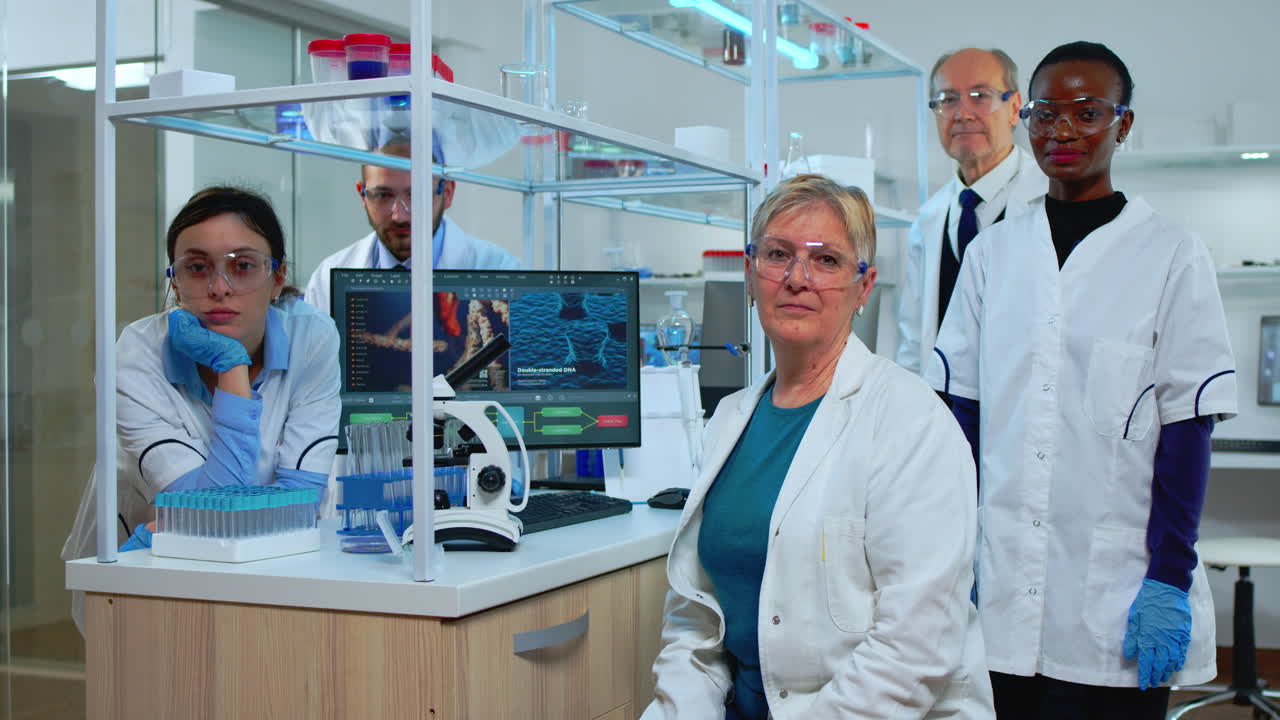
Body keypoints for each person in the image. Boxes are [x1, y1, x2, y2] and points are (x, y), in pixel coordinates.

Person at [926, 42, 1237, 718]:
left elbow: (1187, 431)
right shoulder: (992, 255)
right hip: (998, 589)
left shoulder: (1173, 255)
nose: (1061, 131)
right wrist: (947, 558)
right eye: (1044, 113)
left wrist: (1168, 579)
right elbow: (961, 421)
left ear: (1122, 125)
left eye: (1087, 112)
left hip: (1116, 597)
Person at [643, 174, 994, 719]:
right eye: (778, 254)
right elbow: (697, 619)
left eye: (826, 260)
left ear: (864, 286)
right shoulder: (730, 420)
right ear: (750, 273)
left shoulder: (912, 421)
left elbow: (913, 650)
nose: (797, 279)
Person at [62, 187, 342, 618]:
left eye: (243, 266)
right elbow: (207, 510)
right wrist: (231, 364)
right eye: (197, 268)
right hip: (139, 580)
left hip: (263, 574)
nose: (219, 288)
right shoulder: (136, 356)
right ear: (174, 280)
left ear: (277, 278)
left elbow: (301, 500)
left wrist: (226, 516)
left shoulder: (311, 338)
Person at [896, 48, 1045, 375]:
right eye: (947, 99)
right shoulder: (930, 218)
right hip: (943, 412)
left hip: (1026, 408)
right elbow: (911, 341)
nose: (962, 113)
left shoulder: (1050, 202)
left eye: (980, 96)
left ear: (1015, 108)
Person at [304, 134, 520, 313]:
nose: (400, 216)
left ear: (447, 193)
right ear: (362, 195)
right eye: (382, 195)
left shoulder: (499, 270)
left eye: (417, 195)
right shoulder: (327, 278)